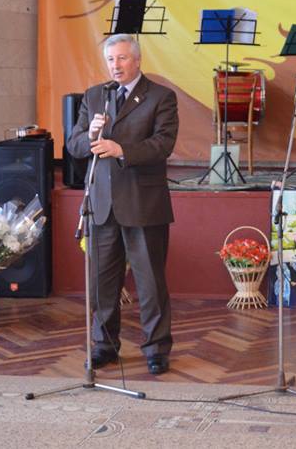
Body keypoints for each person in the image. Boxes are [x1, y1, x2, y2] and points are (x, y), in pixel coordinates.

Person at [67, 33, 178, 375]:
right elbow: (74, 144)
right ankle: (104, 346)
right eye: (110, 59)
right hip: (101, 204)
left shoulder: (160, 96)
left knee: (150, 283)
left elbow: (163, 144)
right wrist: (91, 136)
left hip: (143, 202)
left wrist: (122, 150)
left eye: (122, 58)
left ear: (137, 60)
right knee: (102, 282)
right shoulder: (94, 96)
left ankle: (156, 349)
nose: (115, 65)